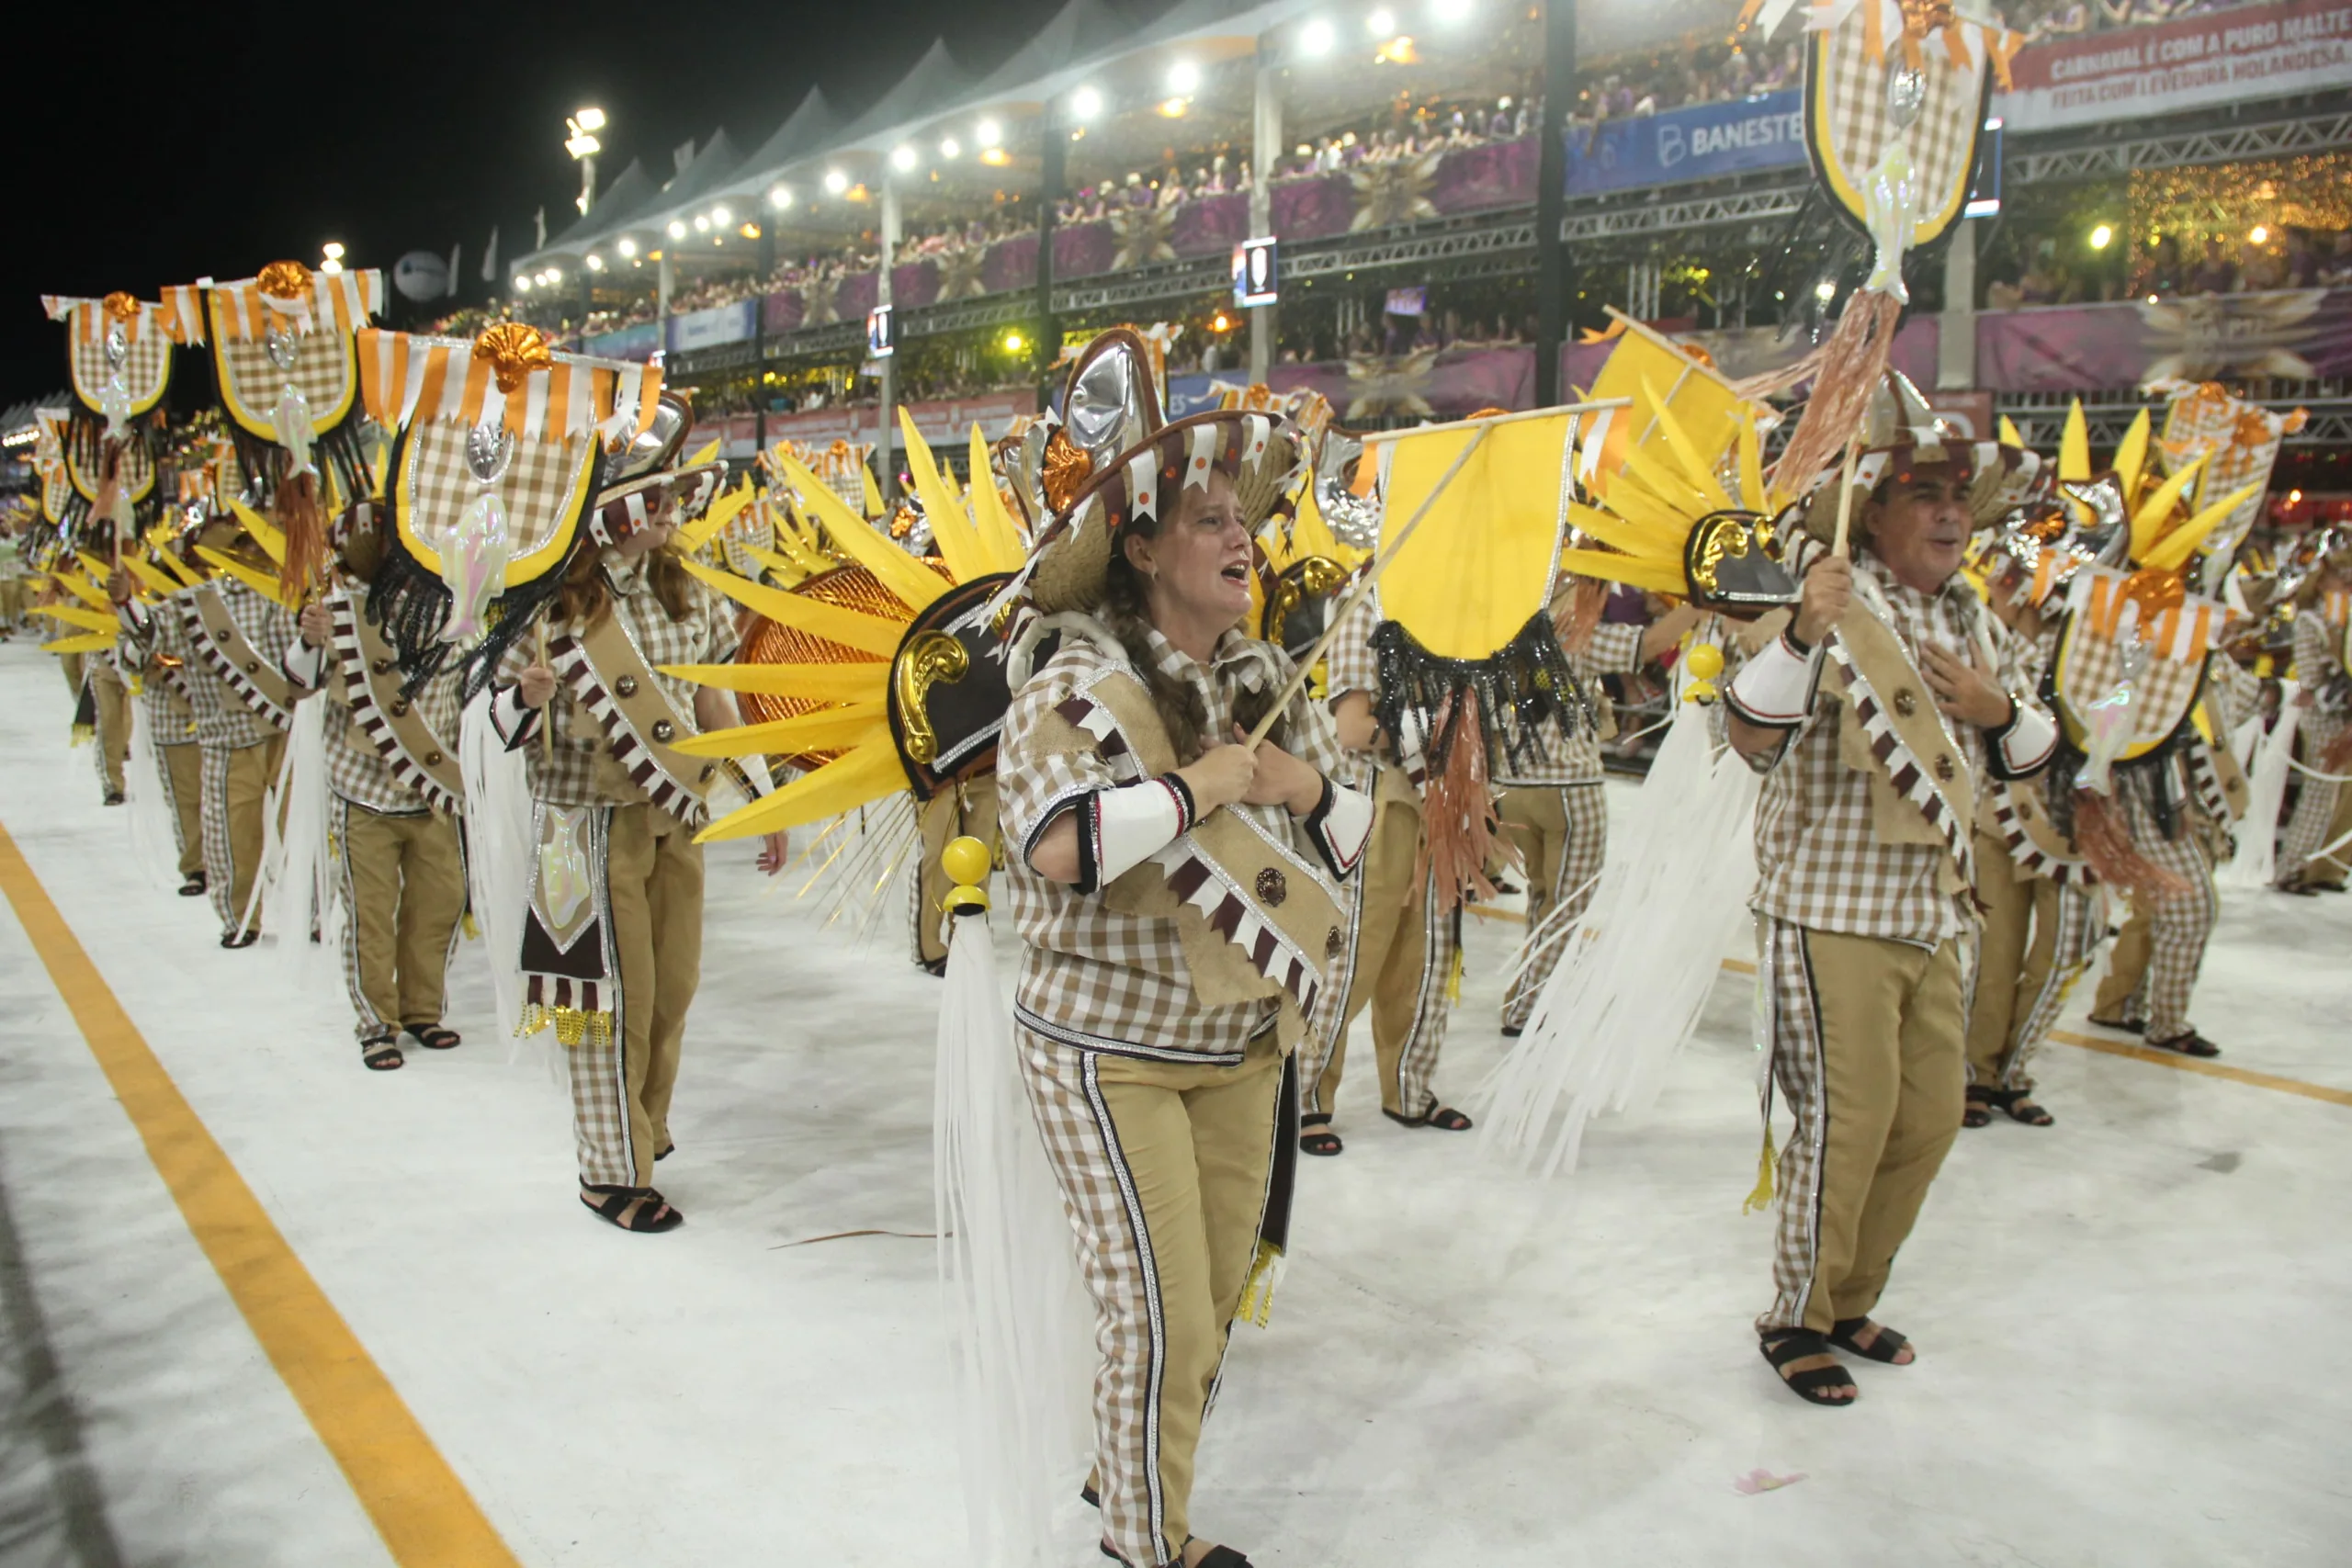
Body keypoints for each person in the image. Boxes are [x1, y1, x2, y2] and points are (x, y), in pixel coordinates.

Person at [995, 329, 1373, 1568]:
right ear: (1142, 545)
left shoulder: (1266, 670)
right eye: (1209, 515)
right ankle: (1146, 1545)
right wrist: (1206, 779)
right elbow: (1058, 842)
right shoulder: (1079, 671)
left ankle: (1127, 1474)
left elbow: (1358, 836)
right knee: (1153, 1315)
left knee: (1200, 1317)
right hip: (1112, 1049)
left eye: (1245, 517)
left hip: (1241, 1046)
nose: (1241, 534)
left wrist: (1290, 776)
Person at [1722, 380, 2055, 1406]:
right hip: (1832, 910)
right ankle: (1797, 1315)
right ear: (1872, 507)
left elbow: (2035, 753)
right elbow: (1747, 737)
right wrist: (1797, 635)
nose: (1951, 511)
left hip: (1932, 914)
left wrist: (1998, 709)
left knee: (1928, 1122)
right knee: (1846, 1121)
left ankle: (1852, 1295)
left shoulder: (1969, 613)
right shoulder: (1818, 589)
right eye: (1924, 493)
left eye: (1959, 493)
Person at [491, 443, 784, 1233]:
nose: (671, 510)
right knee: (603, 1001)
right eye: (656, 497)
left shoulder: (684, 588)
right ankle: (610, 1170)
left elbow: (717, 702)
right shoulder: (546, 602)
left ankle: (640, 1129)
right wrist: (525, 695)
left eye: (674, 497)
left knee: (672, 989)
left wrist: (762, 799)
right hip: (576, 825)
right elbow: (496, 720)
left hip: (672, 817)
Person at [283, 503, 470, 1072]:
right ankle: (376, 1022)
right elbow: (299, 683)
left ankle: (421, 1010)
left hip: (433, 790)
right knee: (371, 913)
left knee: (438, 904)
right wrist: (312, 639)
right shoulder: (337, 611)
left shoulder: (449, 604)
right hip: (363, 792)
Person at [1292, 588, 1472, 1156]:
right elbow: (1351, 728)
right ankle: (1305, 1098)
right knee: (1351, 955)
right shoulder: (1366, 603)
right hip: (1377, 800)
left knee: (1427, 954)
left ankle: (1410, 1087)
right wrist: (1440, 727)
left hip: (1443, 803)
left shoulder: (1471, 609)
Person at [1497, 589, 1699, 1037]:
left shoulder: (1502, 625)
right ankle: (1528, 1008)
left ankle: (1534, 994)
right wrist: (1703, 603)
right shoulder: (1572, 634)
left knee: (1542, 899)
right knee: (1566, 906)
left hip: (1515, 786)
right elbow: (1646, 644)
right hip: (1571, 787)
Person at [113, 517, 295, 947]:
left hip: (286, 734)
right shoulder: (193, 604)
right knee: (231, 836)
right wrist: (125, 607)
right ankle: (241, 917)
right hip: (227, 739)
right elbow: (146, 637)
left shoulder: (289, 597)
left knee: (301, 826)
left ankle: (311, 911)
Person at [2271, 536, 2352, 893]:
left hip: (2340, 712)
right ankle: (2289, 870)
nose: (2347, 581)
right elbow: (2311, 676)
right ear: (2321, 581)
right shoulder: (2309, 621)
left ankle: (2322, 867)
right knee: (2318, 796)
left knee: (2336, 798)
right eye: (2341, 577)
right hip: (2323, 715)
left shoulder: (2343, 616)